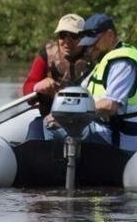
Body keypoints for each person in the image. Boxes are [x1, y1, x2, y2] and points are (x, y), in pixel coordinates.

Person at [73, 12, 137, 153]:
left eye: (93, 43)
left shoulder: (122, 62)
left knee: (52, 133)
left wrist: (73, 113)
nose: (90, 48)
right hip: (104, 129)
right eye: (87, 44)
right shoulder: (106, 59)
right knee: (46, 126)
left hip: (119, 139)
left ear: (110, 35)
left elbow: (110, 105)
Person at [20, 13, 90, 141]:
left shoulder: (94, 56)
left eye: (74, 36)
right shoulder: (47, 54)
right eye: (63, 35)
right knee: (33, 137)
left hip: (86, 123)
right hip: (48, 118)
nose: (67, 41)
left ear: (84, 37)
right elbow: (27, 90)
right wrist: (38, 86)